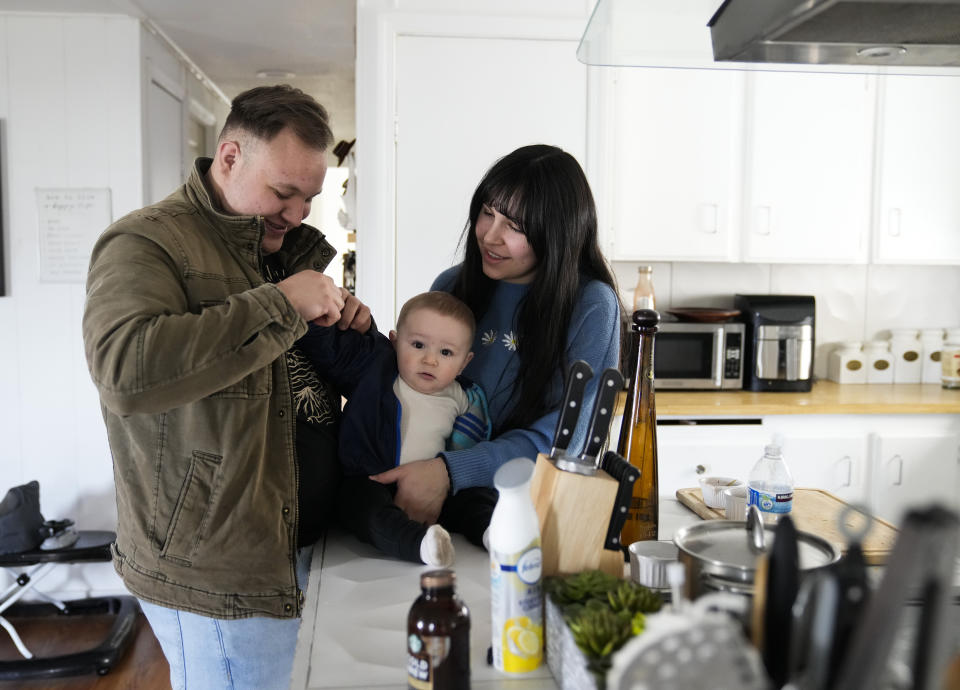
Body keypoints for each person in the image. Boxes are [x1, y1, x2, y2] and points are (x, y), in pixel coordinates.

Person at [82, 85, 369, 690]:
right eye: (283, 192)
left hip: (302, 545)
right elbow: (125, 370)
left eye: (309, 198)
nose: (296, 214)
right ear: (230, 156)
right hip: (219, 572)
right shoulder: (147, 241)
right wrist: (281, 304)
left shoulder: (287, 248)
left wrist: (350, 332)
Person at [370, 144, 626, 525]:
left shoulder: (591, 305)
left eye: (515, 226)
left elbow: (564, 440)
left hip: (527, 511)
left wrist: (449, 472)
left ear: (556, 233)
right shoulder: (452, 286)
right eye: (487, 214)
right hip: (425, 492)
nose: (490, 236)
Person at [299, 291, 496, 567]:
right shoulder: (376, 367)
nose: (430, 360)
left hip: (432, 488)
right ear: (394, 342)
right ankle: (419, 545)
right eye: (417, 345)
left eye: (446, 352)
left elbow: (468, 447)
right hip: (371, 480)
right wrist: (317, 318)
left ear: (465, 362)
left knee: (474, 497)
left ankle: (491, 532)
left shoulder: (465, 397)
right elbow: (331, 352)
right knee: (363, 508)